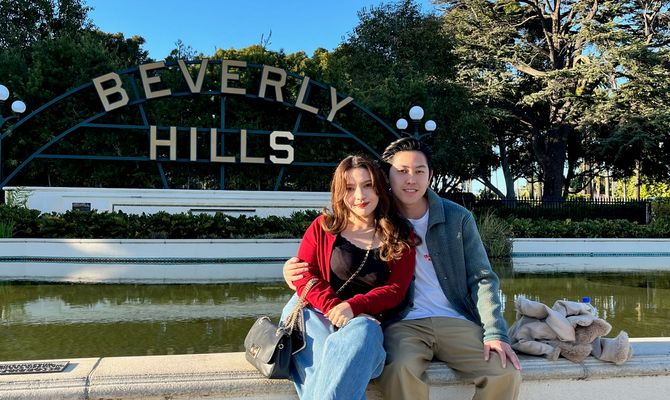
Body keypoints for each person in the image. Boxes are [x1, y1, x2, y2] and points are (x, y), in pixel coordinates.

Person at [284, 138, 522, 400]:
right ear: (387, 175)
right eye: (402, 171)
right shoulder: (378, 216)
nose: (411, 179)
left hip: (454, 319)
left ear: (430, 175)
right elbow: (313, 264)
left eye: (419, 171)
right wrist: (292, 272)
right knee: (398, 370)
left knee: (505, 372)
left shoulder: (454, 218)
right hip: (401, 323)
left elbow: (482, 278)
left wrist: (495, 332)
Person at [282, 154, 416, 400]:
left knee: (362, 331)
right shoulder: (323, 226)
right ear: (339, 192)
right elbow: (304, 276)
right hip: (314, 314)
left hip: (365, 326)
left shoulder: (400, 233)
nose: (360, 196)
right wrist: (336, 309)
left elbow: (396, 289)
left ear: (379, 187)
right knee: (333, 372)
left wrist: (354, 308)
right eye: (350, 188)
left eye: (367, 185)